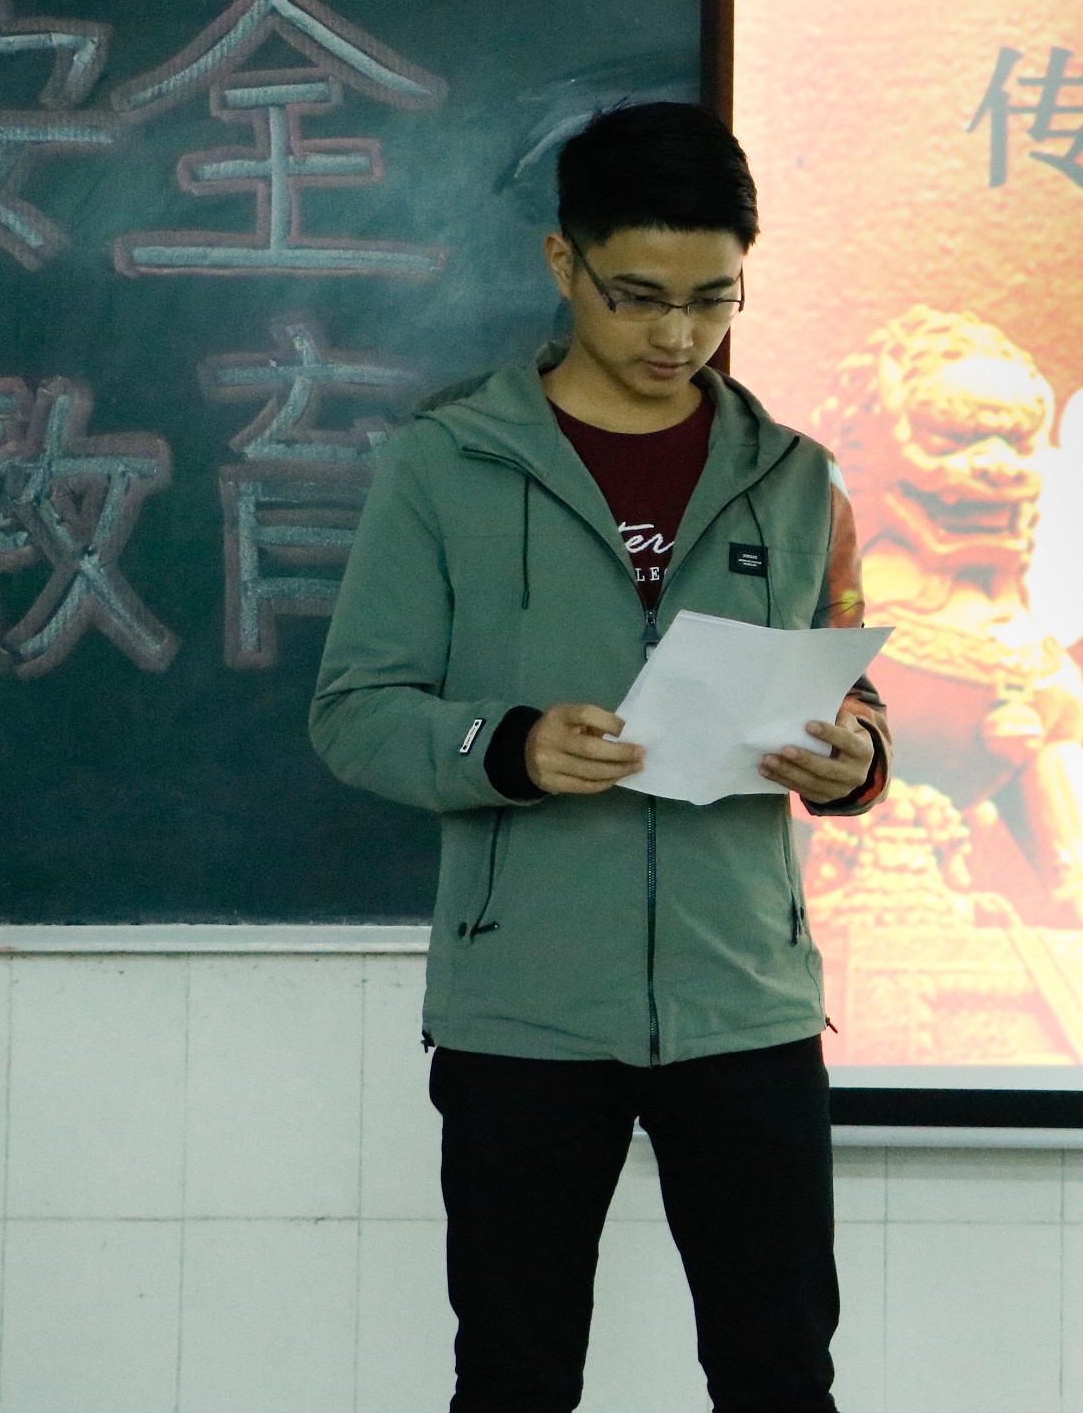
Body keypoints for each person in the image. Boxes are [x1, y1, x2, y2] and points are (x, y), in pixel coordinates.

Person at [313, 100, 887, 1413]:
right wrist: (505, 746)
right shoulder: (446, 466)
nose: (677, 336)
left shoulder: (798, 479)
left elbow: (852, 692)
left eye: (713, 299)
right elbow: (355, 711)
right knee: (514, 1379)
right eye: (639, 298)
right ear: (563, 263)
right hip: (523, 1006)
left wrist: (851, 760)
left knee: (780, 1377)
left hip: (744, 1004)